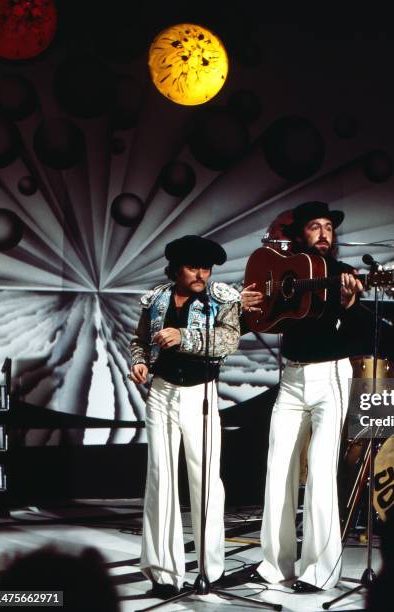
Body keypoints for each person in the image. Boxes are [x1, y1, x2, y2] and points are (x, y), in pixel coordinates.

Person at [249, 201, 366, 592]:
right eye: (315, 227)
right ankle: (274, 565)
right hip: (292, 377)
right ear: (301, 233)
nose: (323, 233)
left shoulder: (342, 274)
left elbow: (356, 330)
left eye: (328, 227)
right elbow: (267, 309)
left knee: (320, 472)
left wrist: (349, 303)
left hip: (330, 374)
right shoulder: (286, 267)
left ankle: (319, 570)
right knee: (278, 469)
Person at [129, 235, 241, 599]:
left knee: (205, 480)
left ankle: (211, 569)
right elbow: (139, 340)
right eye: (193, 267)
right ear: (177, 268)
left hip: (201, 394)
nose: (201, 274)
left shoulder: (221, 298)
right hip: (161, 392)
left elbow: (228, 341)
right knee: (160, 477)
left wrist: (184, 336)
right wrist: (140, 362)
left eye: (205, 268)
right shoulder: (157, 297)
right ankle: (163, 572)